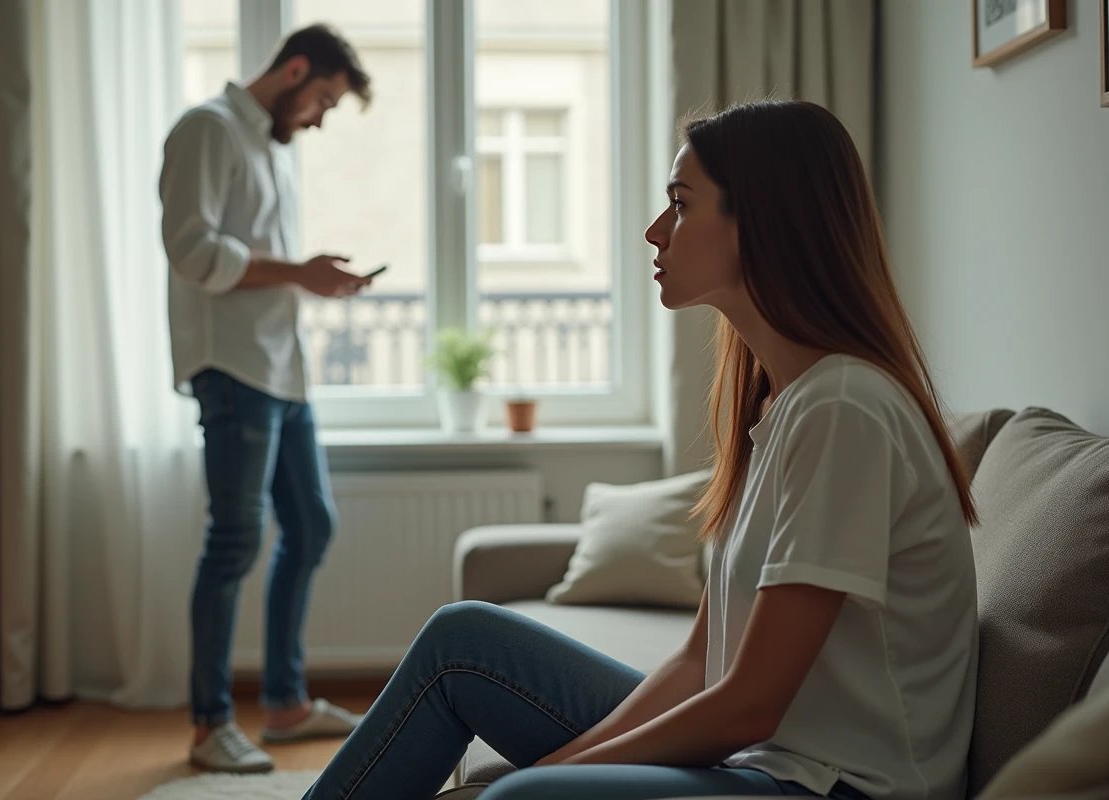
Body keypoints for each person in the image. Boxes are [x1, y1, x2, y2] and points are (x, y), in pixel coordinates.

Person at [299, 99, 981, 800]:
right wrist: (564, 767)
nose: (656, 231)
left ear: (763, 222)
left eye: (681, 205)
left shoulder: (843, 409)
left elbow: (750, 706)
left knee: (513, 799)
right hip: (766, 758)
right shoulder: (786, 404)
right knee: (463, 643)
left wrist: (546, 777)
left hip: (831, 786)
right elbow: (698, 663)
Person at [159, 24, 375, 774]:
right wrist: (298, 272)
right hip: (232, 369)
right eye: (322, 101)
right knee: (235, 540)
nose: (319, 119)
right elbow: (192, 251)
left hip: (283, 371)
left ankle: (284, 704)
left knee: (310, 525)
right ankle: (209, 723)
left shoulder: (271, 148)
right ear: (294, 71)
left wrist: (313, 279)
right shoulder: (208, 130)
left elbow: (264, 264)